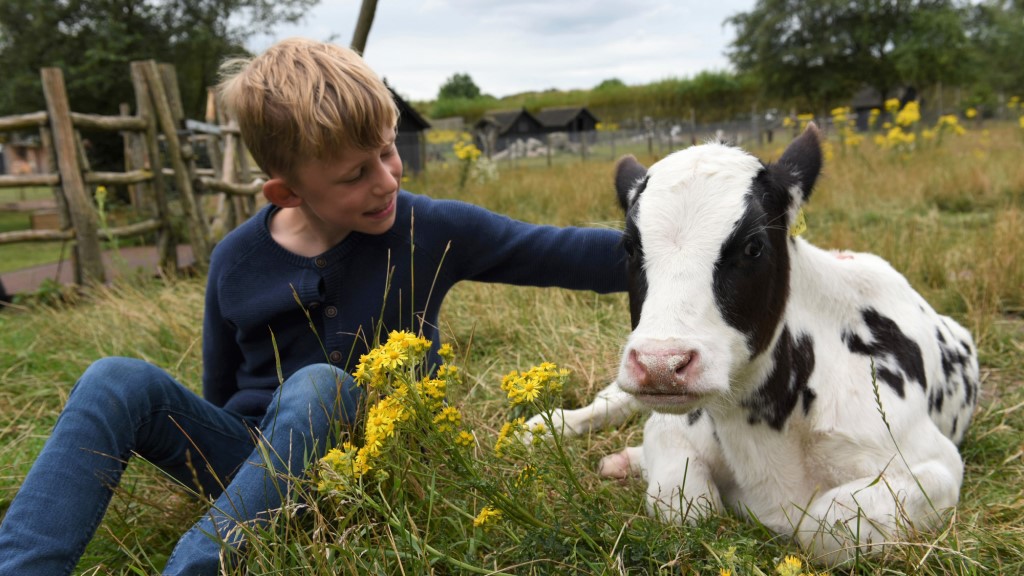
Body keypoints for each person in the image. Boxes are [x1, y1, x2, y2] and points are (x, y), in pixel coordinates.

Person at [0, 38, 627, 575]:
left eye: (386, 151)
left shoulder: (430, 229)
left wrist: (687, 236)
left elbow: (564, 252)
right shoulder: (236, 260)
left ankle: (198, 565)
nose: (385, 179)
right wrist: (249, 483)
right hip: (252, 471)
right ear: (287, 191)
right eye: (355, 174)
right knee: (115, 379)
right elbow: (218, 397)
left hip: (378, 471)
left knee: (320, 385)